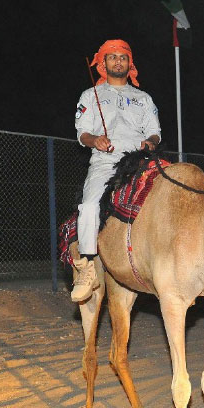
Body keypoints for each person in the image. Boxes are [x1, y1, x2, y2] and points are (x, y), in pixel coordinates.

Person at [72, 39, 161, 302]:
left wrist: (151, 143)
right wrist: (94, 140)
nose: (118, 61)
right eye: (112, 57)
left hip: (140, 162)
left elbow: (155, 132)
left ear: (129, 63)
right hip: (106, 163)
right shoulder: (90, 96)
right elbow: (82, 133)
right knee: (89, 206)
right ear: (103, 63)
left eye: (123, 57)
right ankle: (87, 266)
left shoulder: (143, 98)